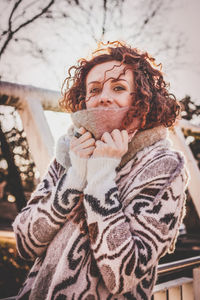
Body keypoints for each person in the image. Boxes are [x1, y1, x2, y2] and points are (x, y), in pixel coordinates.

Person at [13, 41, 188, 300]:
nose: (103, 96)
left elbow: (121, 276)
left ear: (142, 98)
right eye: (94, 89)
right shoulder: (69, 153)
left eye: (118, 87)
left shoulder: (163, 166)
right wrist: (74, 179)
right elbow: (24, 243)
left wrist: (101, 175)